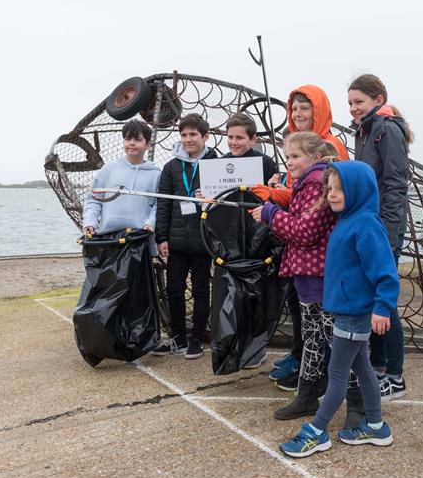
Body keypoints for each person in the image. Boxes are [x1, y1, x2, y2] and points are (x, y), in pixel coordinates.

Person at [279, 161, 398, 458]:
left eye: (340, 189)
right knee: (363, 368)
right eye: (329, 188)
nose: (332, 194)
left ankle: (317, 431)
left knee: (336, 374)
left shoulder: (367, 226)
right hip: (347, 309)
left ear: (358, 190)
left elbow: (386, 272)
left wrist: (383, 308)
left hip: (355, 313)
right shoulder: (347, 220)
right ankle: (375, 425)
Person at [256, 85, 350, 388]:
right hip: (302, 257)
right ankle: (306, 366)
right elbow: (300, 198)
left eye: (305, 109)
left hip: (318, 258)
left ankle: (326, 379)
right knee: (304, 316)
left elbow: (322, 204)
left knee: (323, 327)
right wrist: (276, 191)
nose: (298, 114)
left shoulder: (331, 147)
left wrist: (273, 208)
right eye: (294, 109)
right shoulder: (298, 150)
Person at [251, 132, 340, 421]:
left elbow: (305, 232)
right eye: (287, 157)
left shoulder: (315, 183)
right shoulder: (305, 182)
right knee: (313, 338)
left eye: (295, 156)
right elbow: (297, 228)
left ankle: (359, 401)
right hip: (307, 273)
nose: (289, 162)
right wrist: (275, 211)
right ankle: (307, 396)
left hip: (319, 274)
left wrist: (271, 213)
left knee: (330, 340)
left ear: (315, 157)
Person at [347, 74, 413, 401]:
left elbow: (396, 186)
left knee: (384, 302)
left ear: (378, 99)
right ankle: (377, 368)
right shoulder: (367, 130)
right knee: (373, 297)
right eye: (350, 103)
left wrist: (387, 236)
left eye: (359, 102)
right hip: (369, 226)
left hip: (383, 230)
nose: (353, 108)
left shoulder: (386, 130)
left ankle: (396, 377)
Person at [152, 114, 217, 359]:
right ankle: (177, 337)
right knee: (174, 290)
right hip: (177, 240)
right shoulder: (171, 167)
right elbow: (163, 205)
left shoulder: (215, 164)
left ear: (205, 136)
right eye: (184, 135)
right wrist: (162, 238)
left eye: (193, 135)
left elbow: (221, 204)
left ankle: (198, 338)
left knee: (201, 290)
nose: (188, 139)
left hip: (202, 239)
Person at [82, 120, 160, 237]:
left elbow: (158, 205)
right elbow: (94, 200)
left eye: (138, 140)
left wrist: (151, 223)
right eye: (128, 139)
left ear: (148, 145)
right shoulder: (109, 169)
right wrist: (89, 222)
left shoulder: (156, 174)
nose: (132, 143)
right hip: (108, 236)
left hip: (141, 237)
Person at [225, 113, 278, 185]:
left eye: (239, 138)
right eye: (230, 137)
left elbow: (276, 193)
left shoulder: (266, 163)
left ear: (253, 139)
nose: (233, 142)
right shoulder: (221, 163)